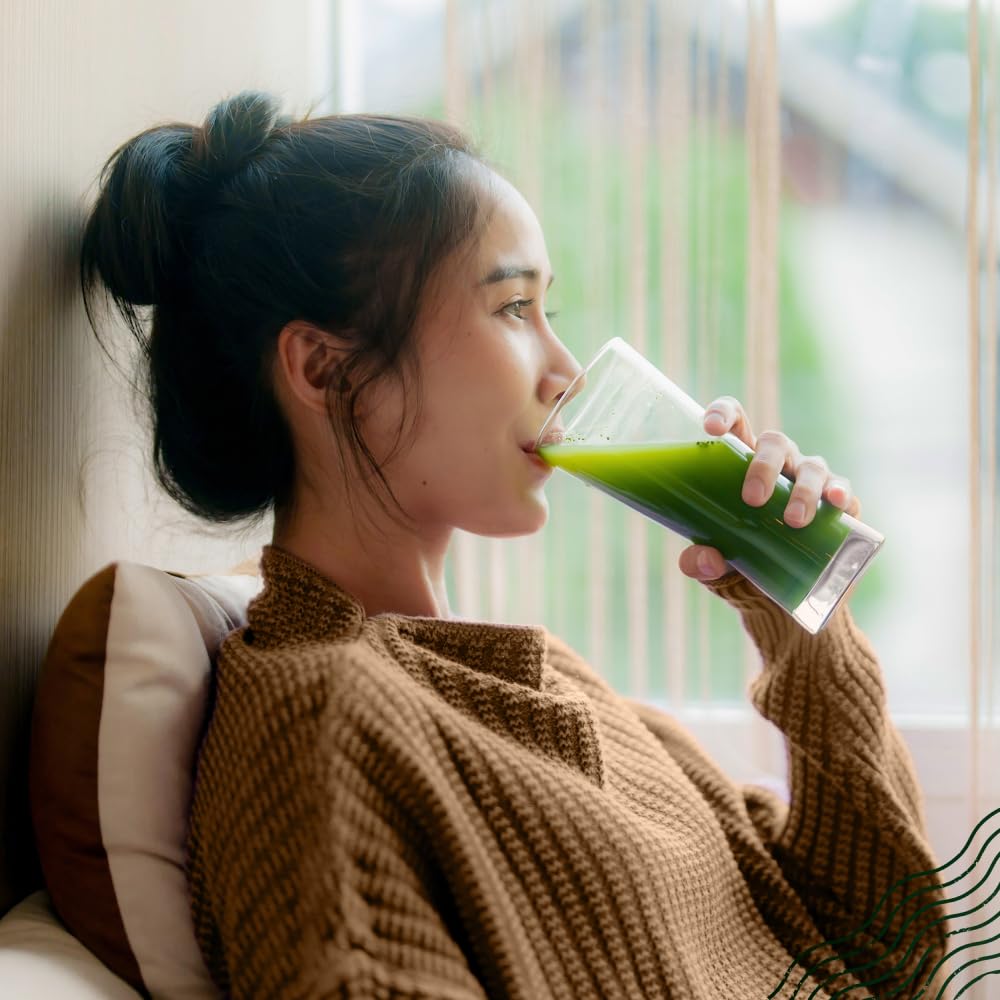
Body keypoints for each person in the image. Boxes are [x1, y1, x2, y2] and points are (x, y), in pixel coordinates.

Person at [80, 92, 946, 999]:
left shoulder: (553, 686)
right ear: (326, 370)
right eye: (512, 307)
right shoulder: (324, 725)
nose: (566, 373)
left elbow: (884, 956)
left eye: (547, 310)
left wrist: (805, 625)